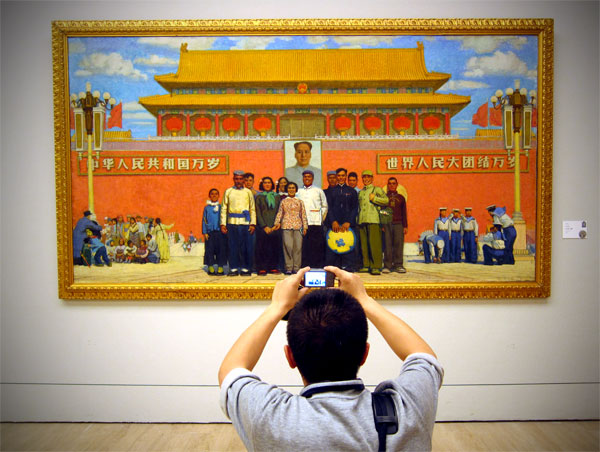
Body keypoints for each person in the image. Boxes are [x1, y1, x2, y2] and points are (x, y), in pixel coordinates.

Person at [219, 266, 443, 451]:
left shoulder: (269, 417)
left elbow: (231, 371)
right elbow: (424, 358)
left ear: (290, 357)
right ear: (365, 354)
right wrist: (365, 300)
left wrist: (276, 307)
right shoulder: (409, 409)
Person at [221, 170, 256, 276]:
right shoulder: (228, 191)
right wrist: (223, 224)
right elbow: (224, 208)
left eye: (241, 179)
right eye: (237, 179)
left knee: (246, 246)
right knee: (232, 246)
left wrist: (253, 223)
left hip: (245, 223)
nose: (239, 181)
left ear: (243, 180)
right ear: (234, 179)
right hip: (232, 223)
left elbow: (252, 208)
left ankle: (245, 268)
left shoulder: (248, 192)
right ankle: (233, 268)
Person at [326, 167, 359, 271]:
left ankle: (348, 268)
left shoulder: (352, 191)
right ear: (336, 177)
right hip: (334, 225)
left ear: (346, 177)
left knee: (348, 245)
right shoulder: (331, 191)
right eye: (339, 176)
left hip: (347, 225)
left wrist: (348, 221)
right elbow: (329, 207)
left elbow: (355, 208)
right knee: (333, 246)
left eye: (343, 175)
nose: (341, 178)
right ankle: (333, 269)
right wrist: (333, 221)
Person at [357, 170, 388, 275]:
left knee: (374, 244)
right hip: (362, 220)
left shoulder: (377, 189)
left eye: (368, 177)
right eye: (364, 177)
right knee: (364, 245)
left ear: (372, 178)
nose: (366, 179)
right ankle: (366, 265)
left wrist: (374, 198)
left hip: (374, 219)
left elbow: (386, 200)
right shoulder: (361, 192)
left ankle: (376, 266)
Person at [273, 182, 308, 275]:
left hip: (298, 226)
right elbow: (280, 212)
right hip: (286, 226)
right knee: (288, 247)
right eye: (289, 188)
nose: (291, 189)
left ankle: (296, 268)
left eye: (293, 188)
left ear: (296, 190)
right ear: (287, 190)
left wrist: (305, 226)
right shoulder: (284, 201)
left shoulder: (300, 201)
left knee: (298, 247)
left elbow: (303, 214)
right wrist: (277, 222)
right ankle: (288, 267)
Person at [296, 170, 328, 269]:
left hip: (316, 223)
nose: (307, 178)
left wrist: (320, 218)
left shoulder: (318, 191)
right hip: (302, 223)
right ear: (302, 178)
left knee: (316, 246)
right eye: (305, 177)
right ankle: (305, 266)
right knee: (304, 246)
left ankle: (317, 265)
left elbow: (324, 206)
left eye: (309, 177)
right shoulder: (298, 191)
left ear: (312, 178)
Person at [255, 177, 282, 275]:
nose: (267, 184)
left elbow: (280, 211)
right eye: (265, 183)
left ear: (272, 184)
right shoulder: (259, 197)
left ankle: (273, 267)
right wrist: (264, 226)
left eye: (269, 183)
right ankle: (262, 268)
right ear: (262, 185)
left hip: (275, 226)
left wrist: (277, 224)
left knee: (274, 247)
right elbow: (258, 212)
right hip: (263, 227)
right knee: (262, 248)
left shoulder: (277, 196)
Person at [382, 176, 408, 273]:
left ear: (397, 185)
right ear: (388, 185)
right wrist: (382, 225)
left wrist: (405, 226)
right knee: (387, 244)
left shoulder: (401, 198)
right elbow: (382, 211)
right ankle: (387, 265)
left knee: (398, 244)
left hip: (398, 223)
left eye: (394, 183)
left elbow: (404, 212)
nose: (392, 185)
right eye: (390, 183)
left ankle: (398, 265)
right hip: (387, 224)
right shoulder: (384, 197)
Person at [202, 188, 227, 276]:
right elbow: (204, 220)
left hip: (220, 232)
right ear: (209, 196)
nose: (214, 195)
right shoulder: (207, 208)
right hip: (210, 233)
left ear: (219, 196)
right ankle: (210, 266)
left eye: (216, 194)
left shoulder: (221, 207)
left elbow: (224, 219)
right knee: (209, 250)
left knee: (221, 250)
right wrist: (205, 232)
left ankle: (220, 267)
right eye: (212, 194)